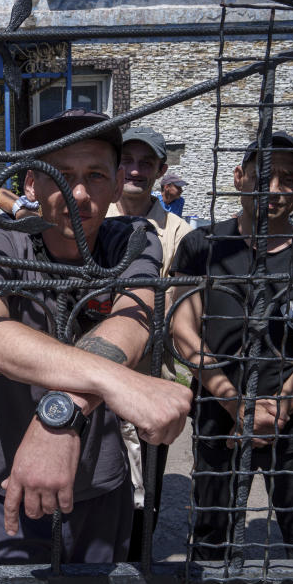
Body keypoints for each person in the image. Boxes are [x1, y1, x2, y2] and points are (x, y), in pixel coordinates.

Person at [0, 109, 191, 584]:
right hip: (5, 483)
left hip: (98, 487)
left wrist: (57, 416)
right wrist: (115, 380)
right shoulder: (0, 240)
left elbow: (132, 324)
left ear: (114, 186)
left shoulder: (133, 240)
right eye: (61, 177)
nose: (79, 194)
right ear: (31, 184)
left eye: (94, 176)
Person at [170, 132, 293, 578]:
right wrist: (234, 402)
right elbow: (182, 328)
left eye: (289, 178)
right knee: (212, 535)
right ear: (240, 176)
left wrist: (278, 409)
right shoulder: (203, 245)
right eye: (265, 175)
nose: (275, 190)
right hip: (218, 407)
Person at [106, 126, 192, 561]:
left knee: (147, 487)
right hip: (92, 370)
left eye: (146, 162)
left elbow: (180, 308)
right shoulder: (90, 216)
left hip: (148, 374)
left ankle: (136, 567)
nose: (136, 170)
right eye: (127, 160)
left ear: (160, 170)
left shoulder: (177, 233)